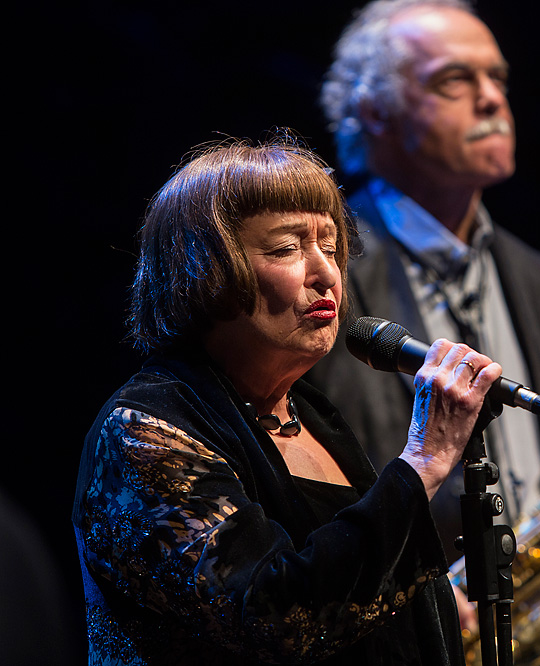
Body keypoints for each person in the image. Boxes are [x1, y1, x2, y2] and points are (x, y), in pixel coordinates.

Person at [309, 0, 540, 645]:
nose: (491, 100)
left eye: (497, 78)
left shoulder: (534, 273)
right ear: (373, 112)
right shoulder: (324, 267)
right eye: (454, 80)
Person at [72, 134, 503, 665]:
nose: (326, 272)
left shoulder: (313, 414)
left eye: (330, 246)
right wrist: (425, 460)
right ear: (203, 271)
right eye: (287, 248)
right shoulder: (144, 428)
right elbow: (275, 620)